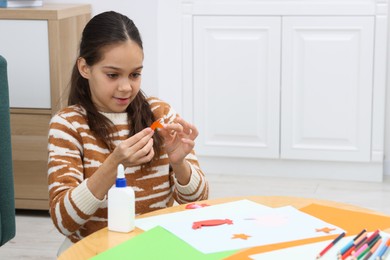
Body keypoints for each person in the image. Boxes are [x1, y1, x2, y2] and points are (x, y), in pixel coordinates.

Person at [47, 11, 209, 254]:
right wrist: (114, 164)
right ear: (85, 67)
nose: (126, 87)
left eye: (135, 74)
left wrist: (179, 164)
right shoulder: (68, 125)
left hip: (155, 248)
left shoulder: (160, 113)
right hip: (96, 251)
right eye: (112, 75)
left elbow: (198, 202)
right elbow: (64, 220)